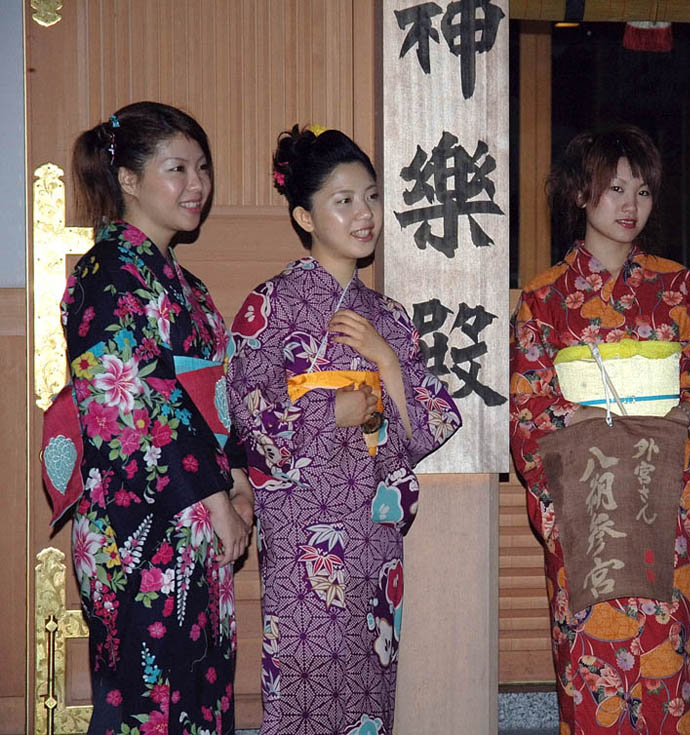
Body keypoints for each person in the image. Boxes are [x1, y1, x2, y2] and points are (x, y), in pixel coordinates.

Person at [226, 125, 462, 735]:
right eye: (345, 200)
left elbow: (430, 425)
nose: (365, 214)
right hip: (303, 535)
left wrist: (387, 362)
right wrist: (334, 411)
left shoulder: (387, 316)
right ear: (304, 217)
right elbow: (245, 411)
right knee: (303, 684)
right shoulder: (269, 306)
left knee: (369, 690)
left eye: (372, 197)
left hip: (375, 533)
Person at [509, 124, 690, 734]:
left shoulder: (681, 287)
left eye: (643, 190)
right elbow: (529, 409)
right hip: (587, 494)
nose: (631, 204)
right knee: (591, 657)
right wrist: (577, 418)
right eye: (615, 188)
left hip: (664, 490)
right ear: (580, 193)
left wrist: (676, 417)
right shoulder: (544, 297)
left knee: (670, 653)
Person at [62, 100, 252, 734]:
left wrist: (240, 482)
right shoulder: (107, 273)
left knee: (201, 687)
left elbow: (216, 399)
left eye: (203, 167)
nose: (196, 184)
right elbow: (135, 410)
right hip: (139, 519)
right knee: (146, 700)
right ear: (128, 179)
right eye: (177, 168)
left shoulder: (188, 287)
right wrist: (216, 499)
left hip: (201, 507)